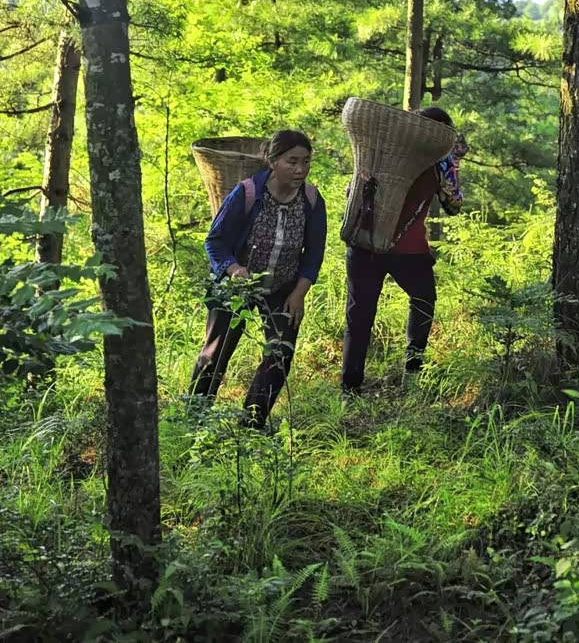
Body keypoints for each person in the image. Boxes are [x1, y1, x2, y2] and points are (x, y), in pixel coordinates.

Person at [189, 129, 327, 427]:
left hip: (282, 287)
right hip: (237, 284)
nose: (300, 169)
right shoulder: (248, 193)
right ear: (273, 162)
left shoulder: (312, 200)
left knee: (280, 353)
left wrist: (298, 294)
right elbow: (215, 241)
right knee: (216, 352)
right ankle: (194, 419)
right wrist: (234, 268)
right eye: (292, 161)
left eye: (306, 161)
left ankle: (252, 421)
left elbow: (314, 254)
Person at [341, 107, 466, 396]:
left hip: (364, 242)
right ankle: (413, 368)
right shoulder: (439, 164)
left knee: (359, 314)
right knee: (423, 300)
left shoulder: (380, 152)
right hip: (408, 250)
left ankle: (349, 387)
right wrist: (455, 162)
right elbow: (453, 206)